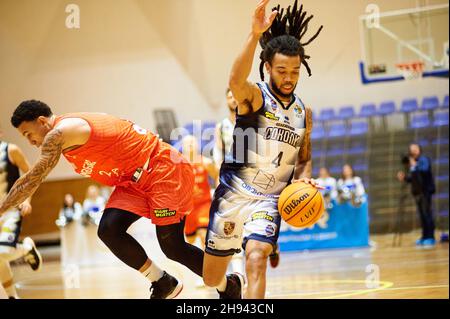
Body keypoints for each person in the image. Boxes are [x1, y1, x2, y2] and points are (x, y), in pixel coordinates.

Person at [0, 101, 230, 299]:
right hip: (133, 181)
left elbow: (32, 179)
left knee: (172, 246)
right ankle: (163, 282)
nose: (30, 141)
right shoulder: (66, 134)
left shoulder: (59, 133)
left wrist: (2, 209)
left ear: (42, 121)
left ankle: (227, 285)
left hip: (161, 169)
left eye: (28, 134)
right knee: (109, 229)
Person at [202, 0, 323, 299]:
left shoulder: (303, 113)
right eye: (282, 70)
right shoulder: (254, 97)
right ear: (268, 67)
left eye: (295, 71)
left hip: (269, 200)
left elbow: (304, 156)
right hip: (233, 194)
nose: (289, 77)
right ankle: (230, 285)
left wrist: (304, 177)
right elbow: (234, 80)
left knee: (256, 258)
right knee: (210, 277)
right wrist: (254, 34)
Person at [0, 132, 42, 299]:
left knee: (2, 251)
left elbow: (31, 177)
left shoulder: (11, 150)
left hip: (11, 210)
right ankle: (12, 296)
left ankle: (26, 249)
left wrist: (27, 200)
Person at [397, 143, 436, 247]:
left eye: (415, 149)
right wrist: (404, 178)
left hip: (425, 191)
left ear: (419, 149)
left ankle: (431, 237)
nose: (413, 151)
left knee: (427, 214)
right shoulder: (413, 162)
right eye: (411, 149)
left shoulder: (423, 159)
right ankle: (424, 237)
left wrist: (415, 165)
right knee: (422, 215)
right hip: (417, 192)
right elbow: (414, 179)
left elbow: (425, 170)